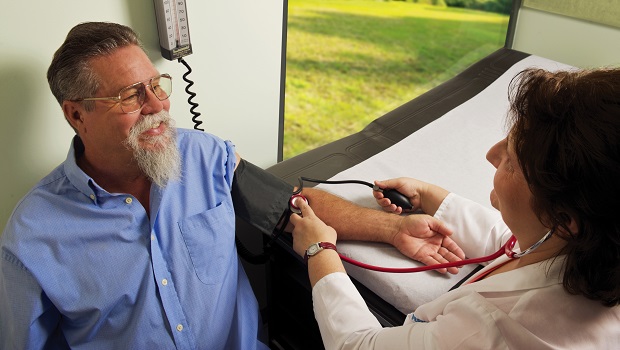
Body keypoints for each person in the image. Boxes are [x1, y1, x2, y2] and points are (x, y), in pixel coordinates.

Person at [0, 22, 466, 349]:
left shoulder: (203, 156)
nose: (156, 105)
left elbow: (290, 208)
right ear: (77, 114)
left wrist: (391, 229)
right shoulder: (33, 239)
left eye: (157, 84)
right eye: (128, 95)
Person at [289, 67, 620, 349]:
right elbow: (515, 238)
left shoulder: (491, 327)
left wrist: (319, 250)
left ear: (563, 218)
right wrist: (431, 196)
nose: (491, 155)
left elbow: (357, 344)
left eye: (512, 162)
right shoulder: (592, 244)